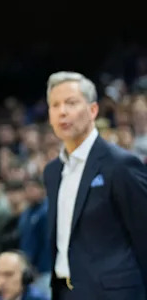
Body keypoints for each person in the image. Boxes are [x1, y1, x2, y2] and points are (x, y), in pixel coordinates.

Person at [43, 71, 147, 299]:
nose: (62, 112)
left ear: (93, 110)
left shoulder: (120, 164)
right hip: (65, 291)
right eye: (55, 105)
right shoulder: (52, 172)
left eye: (71, 103)